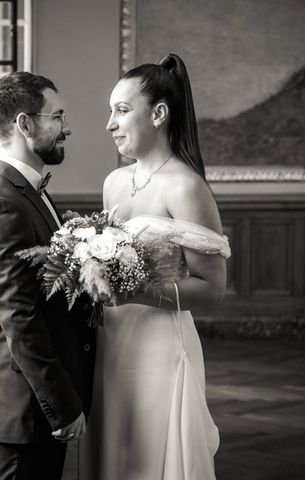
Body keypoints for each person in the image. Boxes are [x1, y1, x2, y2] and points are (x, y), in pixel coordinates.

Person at [79, 53, 230, 479]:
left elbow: (214, 288)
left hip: (160, 349)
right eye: (111, 111)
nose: (110, 123)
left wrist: (140, 293)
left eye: (122, 111)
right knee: (114, 451)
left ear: (159, 113)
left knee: (150, 454)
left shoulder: (186, 186)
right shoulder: (114, 182)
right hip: (109, 343)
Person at [0, 71, 96, 480]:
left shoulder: (26, 191)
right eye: (56, 116)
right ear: (26, 124)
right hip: (26, 407)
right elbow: (18, 319)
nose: (67, 127)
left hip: (34, 403)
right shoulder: (1, 205)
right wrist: (61, 403)